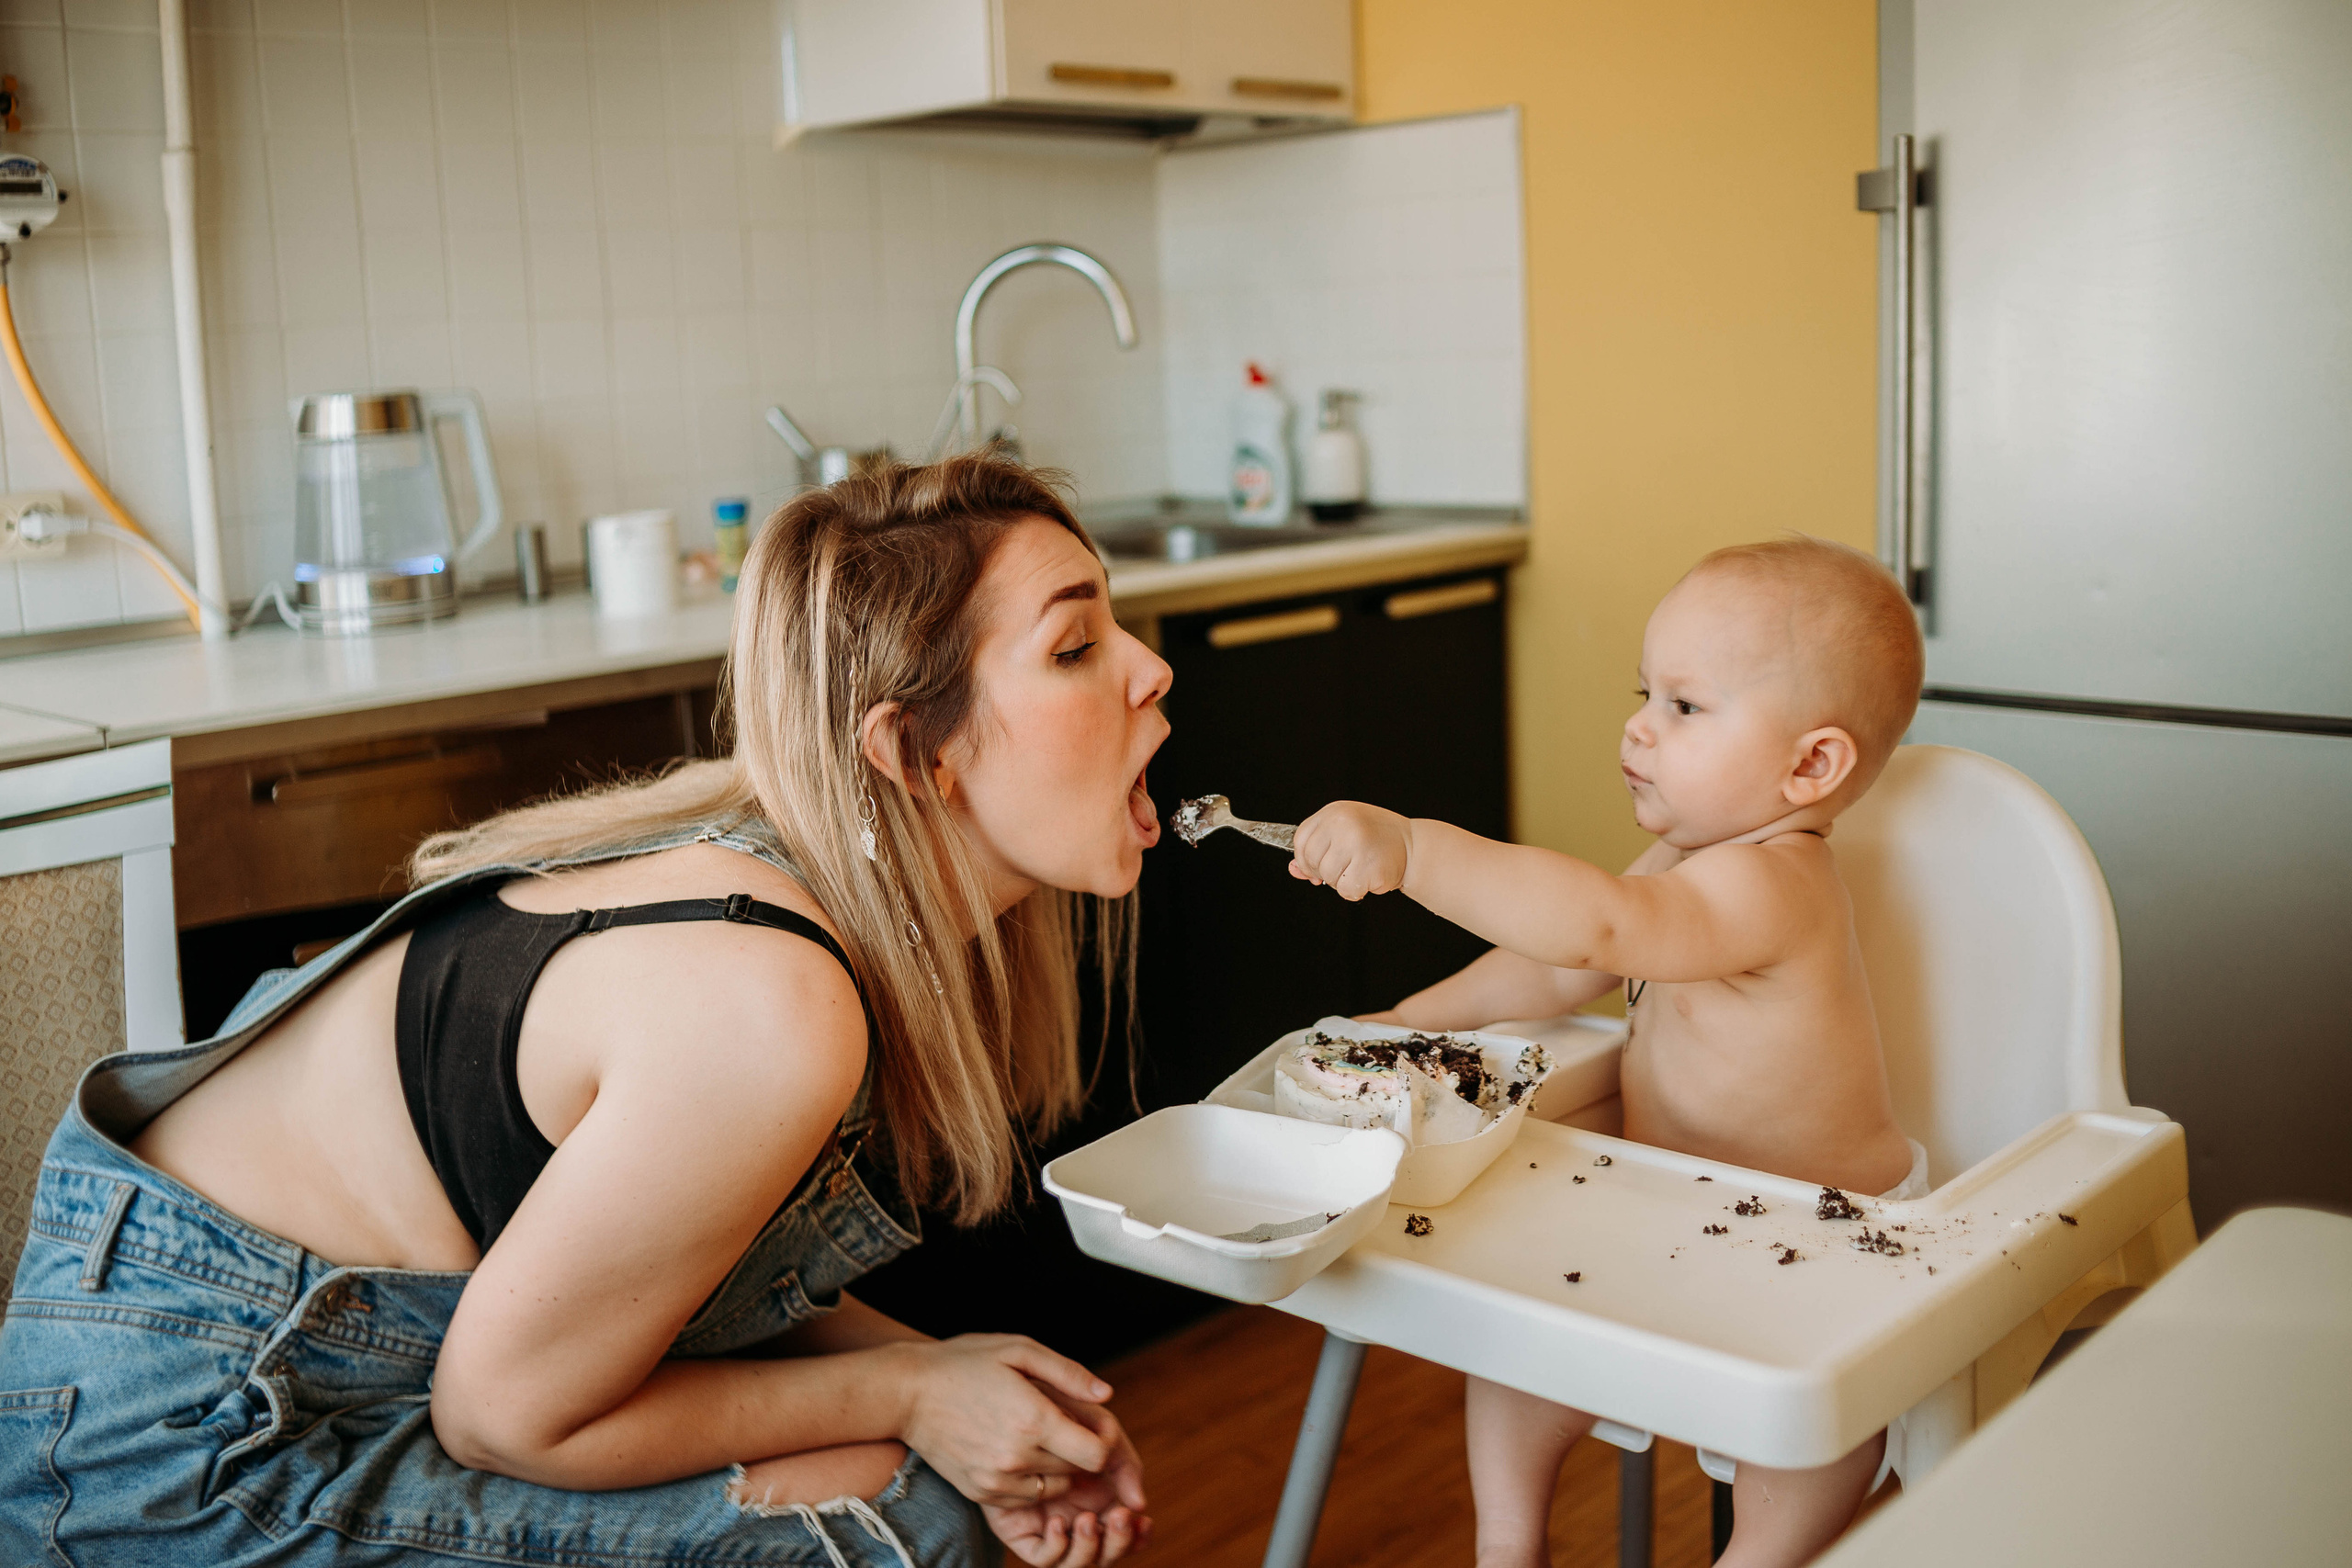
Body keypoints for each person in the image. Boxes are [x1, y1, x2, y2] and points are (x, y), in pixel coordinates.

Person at [0, 457, 1172, 1568]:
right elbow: (504, 1415)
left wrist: (981, 1391)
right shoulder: (770, 1002)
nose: (1148, 668)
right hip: (175, 1433)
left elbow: (665, 1283)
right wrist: (916, 1396)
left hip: (298, 1351)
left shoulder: (795, 880)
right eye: (1074, 646)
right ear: (913, 754)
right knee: (896, 1524)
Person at [1286, 536, 1928, 1568]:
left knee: (1814, 1449)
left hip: (1823, 1254)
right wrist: (1404, 1023)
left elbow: (1598, 930)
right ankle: (1511, 1543)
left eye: (1684, 706)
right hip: (1670, 1214)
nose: (1638, 726)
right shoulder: (1689, 858)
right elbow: (1549, 973)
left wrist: (1414, 849)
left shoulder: (1777, 887)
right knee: (1516, 1343)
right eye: (1645, 693)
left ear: (1810, 765)